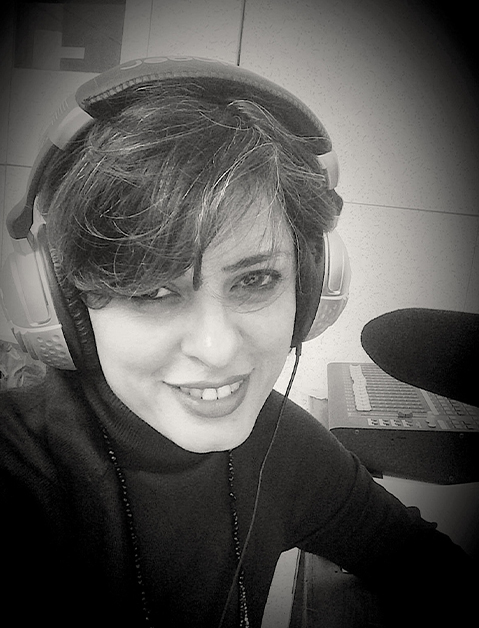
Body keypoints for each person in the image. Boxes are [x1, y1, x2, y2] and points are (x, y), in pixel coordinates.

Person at [0, 57, 475, 627]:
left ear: (310, 287)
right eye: (152, 291)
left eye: (255, 280)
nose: (218, 349)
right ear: (64, 305)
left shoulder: (283, 445)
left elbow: (422, 565)